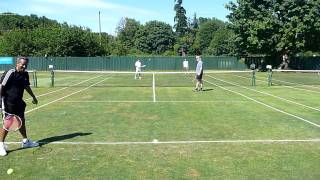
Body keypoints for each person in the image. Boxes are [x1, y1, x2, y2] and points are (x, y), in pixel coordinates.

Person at [0, 57, 39, 156]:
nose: (24, 66)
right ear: (17, 63)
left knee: (21, 120)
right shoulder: (10, 73)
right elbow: (1, 86)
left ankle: (25, 142)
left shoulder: (25, 74)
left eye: (26, 64)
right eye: (22, 64)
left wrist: (33, 97)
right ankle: (1, 145)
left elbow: (26, 86)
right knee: (8, 123)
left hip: (19, 102)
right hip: (8, 102)